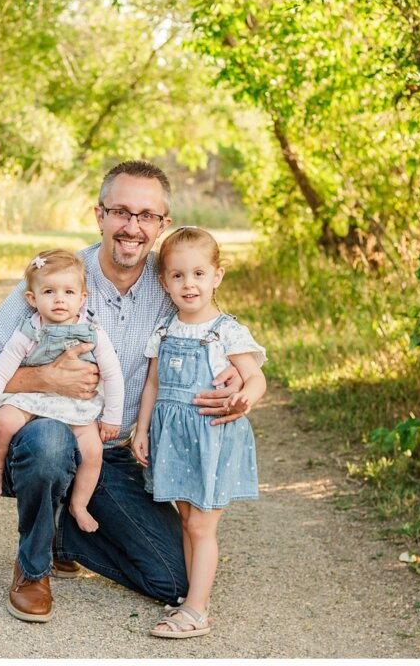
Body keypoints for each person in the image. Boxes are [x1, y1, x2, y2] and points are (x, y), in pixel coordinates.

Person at [0, 160, 247, 623]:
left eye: (147, 216)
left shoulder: (171, 280)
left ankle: (59, 531)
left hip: (109, 449)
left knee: (174, 581)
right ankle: (33, 567)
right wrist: (42, 378)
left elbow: (218, 338)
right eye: (121, 212)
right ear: (100, 215)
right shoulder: (58, 276)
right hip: (40, 432)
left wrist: (243, 384)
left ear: (163, 224)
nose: (132, 227)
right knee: (50, 444)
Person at [132, 226, 267, 638]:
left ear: (217, 276)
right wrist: (141, 431)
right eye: (177, 275)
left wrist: (244, 398)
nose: (188, 284)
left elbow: (256, 377)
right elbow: (152, 384)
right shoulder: (166, 330)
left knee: (201, 527)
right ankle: (193, 596)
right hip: (173, 439)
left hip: (212, 437)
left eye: (198, 274)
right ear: (164, 282)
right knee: (187, 518)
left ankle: (196, 611)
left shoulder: (226, 331)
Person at [0, 249, 123, 534]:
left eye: (68, 292)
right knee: (2, 421)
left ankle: (79, 504)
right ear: (32, 298)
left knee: (93, 452)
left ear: (82, 298)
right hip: (33, 398)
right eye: (49, 291)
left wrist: (112, 417)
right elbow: (0, 373)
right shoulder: (28, 332)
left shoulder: (92, 332)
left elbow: (113, 374)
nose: (59, 299)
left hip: (75, 404)